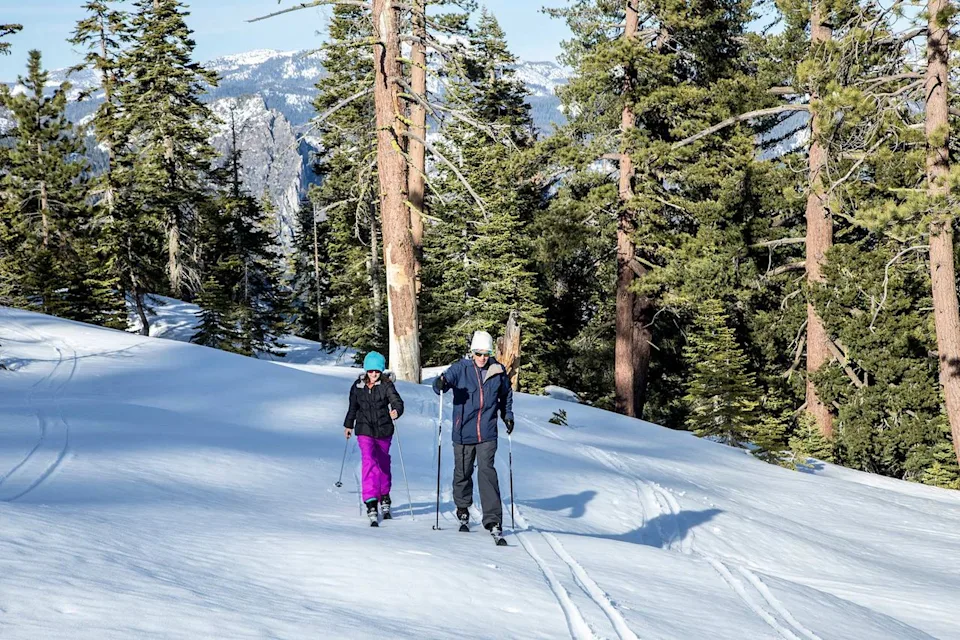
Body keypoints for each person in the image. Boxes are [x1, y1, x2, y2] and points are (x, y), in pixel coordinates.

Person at [432, 330, 514, 542]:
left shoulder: (497, 370)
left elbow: (506, 395)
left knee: (487, 473)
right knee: (463, 472)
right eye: (478, 353)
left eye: (486, 353)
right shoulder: (461, 368)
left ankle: (493, 519)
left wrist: (508, 415)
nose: (482, 358)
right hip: (463, 431)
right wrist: (439, 384)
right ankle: (462, 507)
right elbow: (442, 382)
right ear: (472, 353)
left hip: (487, 431)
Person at [343, 351, 404, 526]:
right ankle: (370, 500)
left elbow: (397, 401)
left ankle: (384, 494)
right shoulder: (358, 386)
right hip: (364, 430)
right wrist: (348, 425)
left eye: (377, 371)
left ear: (381, 370)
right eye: (370, 371)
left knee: (383, 463)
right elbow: (352, 407)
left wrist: (396, 411)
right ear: (366, 370)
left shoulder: (386, 385)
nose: (373, 374)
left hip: (384, 430)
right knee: (369, 461)